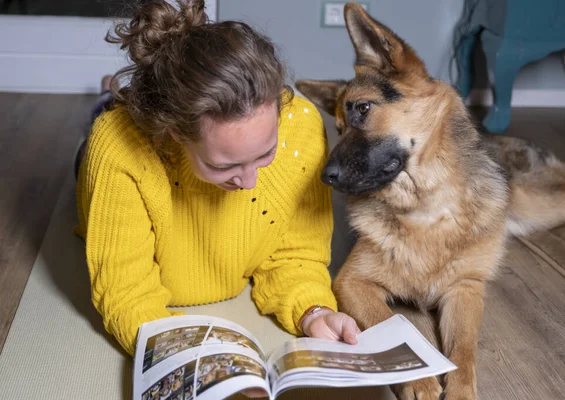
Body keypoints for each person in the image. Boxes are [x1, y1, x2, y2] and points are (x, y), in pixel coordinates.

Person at [74, 0, 360, 366]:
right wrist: (196, 361)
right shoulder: (117, 150)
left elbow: (295, 255)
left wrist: (315, 312)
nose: (250, 180)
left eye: (264, 153)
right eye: (225, 165)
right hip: (103, 157)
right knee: (98, 127)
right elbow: (126, 292)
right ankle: (105, 96)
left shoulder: (301, 127)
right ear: (177, 134)